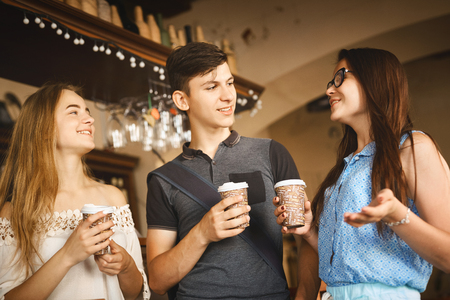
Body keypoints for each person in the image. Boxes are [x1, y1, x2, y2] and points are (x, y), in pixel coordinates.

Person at [145, 42, 319, 300]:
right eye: (212, 87)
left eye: (230, 83)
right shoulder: (164, 179)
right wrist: (203, 233)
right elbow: (157, 281)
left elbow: (303, 237)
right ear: (182, 100)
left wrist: (304, 295)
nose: (228, 96)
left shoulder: (271, 153)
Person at [274, 47, 450, 299]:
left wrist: (396, 214)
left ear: (374, 81)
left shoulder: (413, 147)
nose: (329, 90)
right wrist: (311, 232)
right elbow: (351, 262)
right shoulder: (347, 166)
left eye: (340, 78)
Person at [0, 82, 150, 300]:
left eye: (87, 112)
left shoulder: (113, 197)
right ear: (43, 128)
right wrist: (68, 255)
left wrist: (126, 266)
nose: (89, 119)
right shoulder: (15, 211)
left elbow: (135, 293)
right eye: (73, 112)